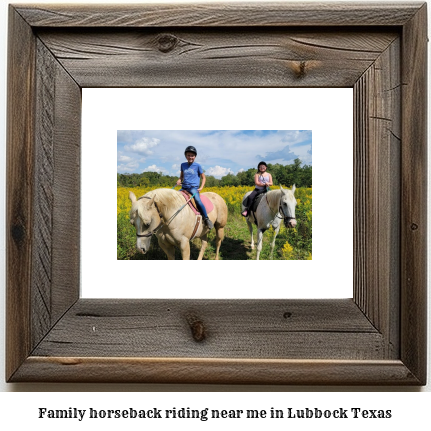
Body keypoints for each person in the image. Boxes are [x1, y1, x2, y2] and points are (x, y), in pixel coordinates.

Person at [176, 146, 214, 229]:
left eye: (192, 156)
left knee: (198, 200)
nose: (190, 157)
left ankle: (206, 218)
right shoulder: (183, 165)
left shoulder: (198, 166)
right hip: (184, 187)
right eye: (188, 155)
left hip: (193, 188)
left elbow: (203, 177)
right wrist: (179, 180)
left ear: (195, 156)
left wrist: (201, 187)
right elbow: (181, 177)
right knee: (174, 197)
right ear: (186, 156)